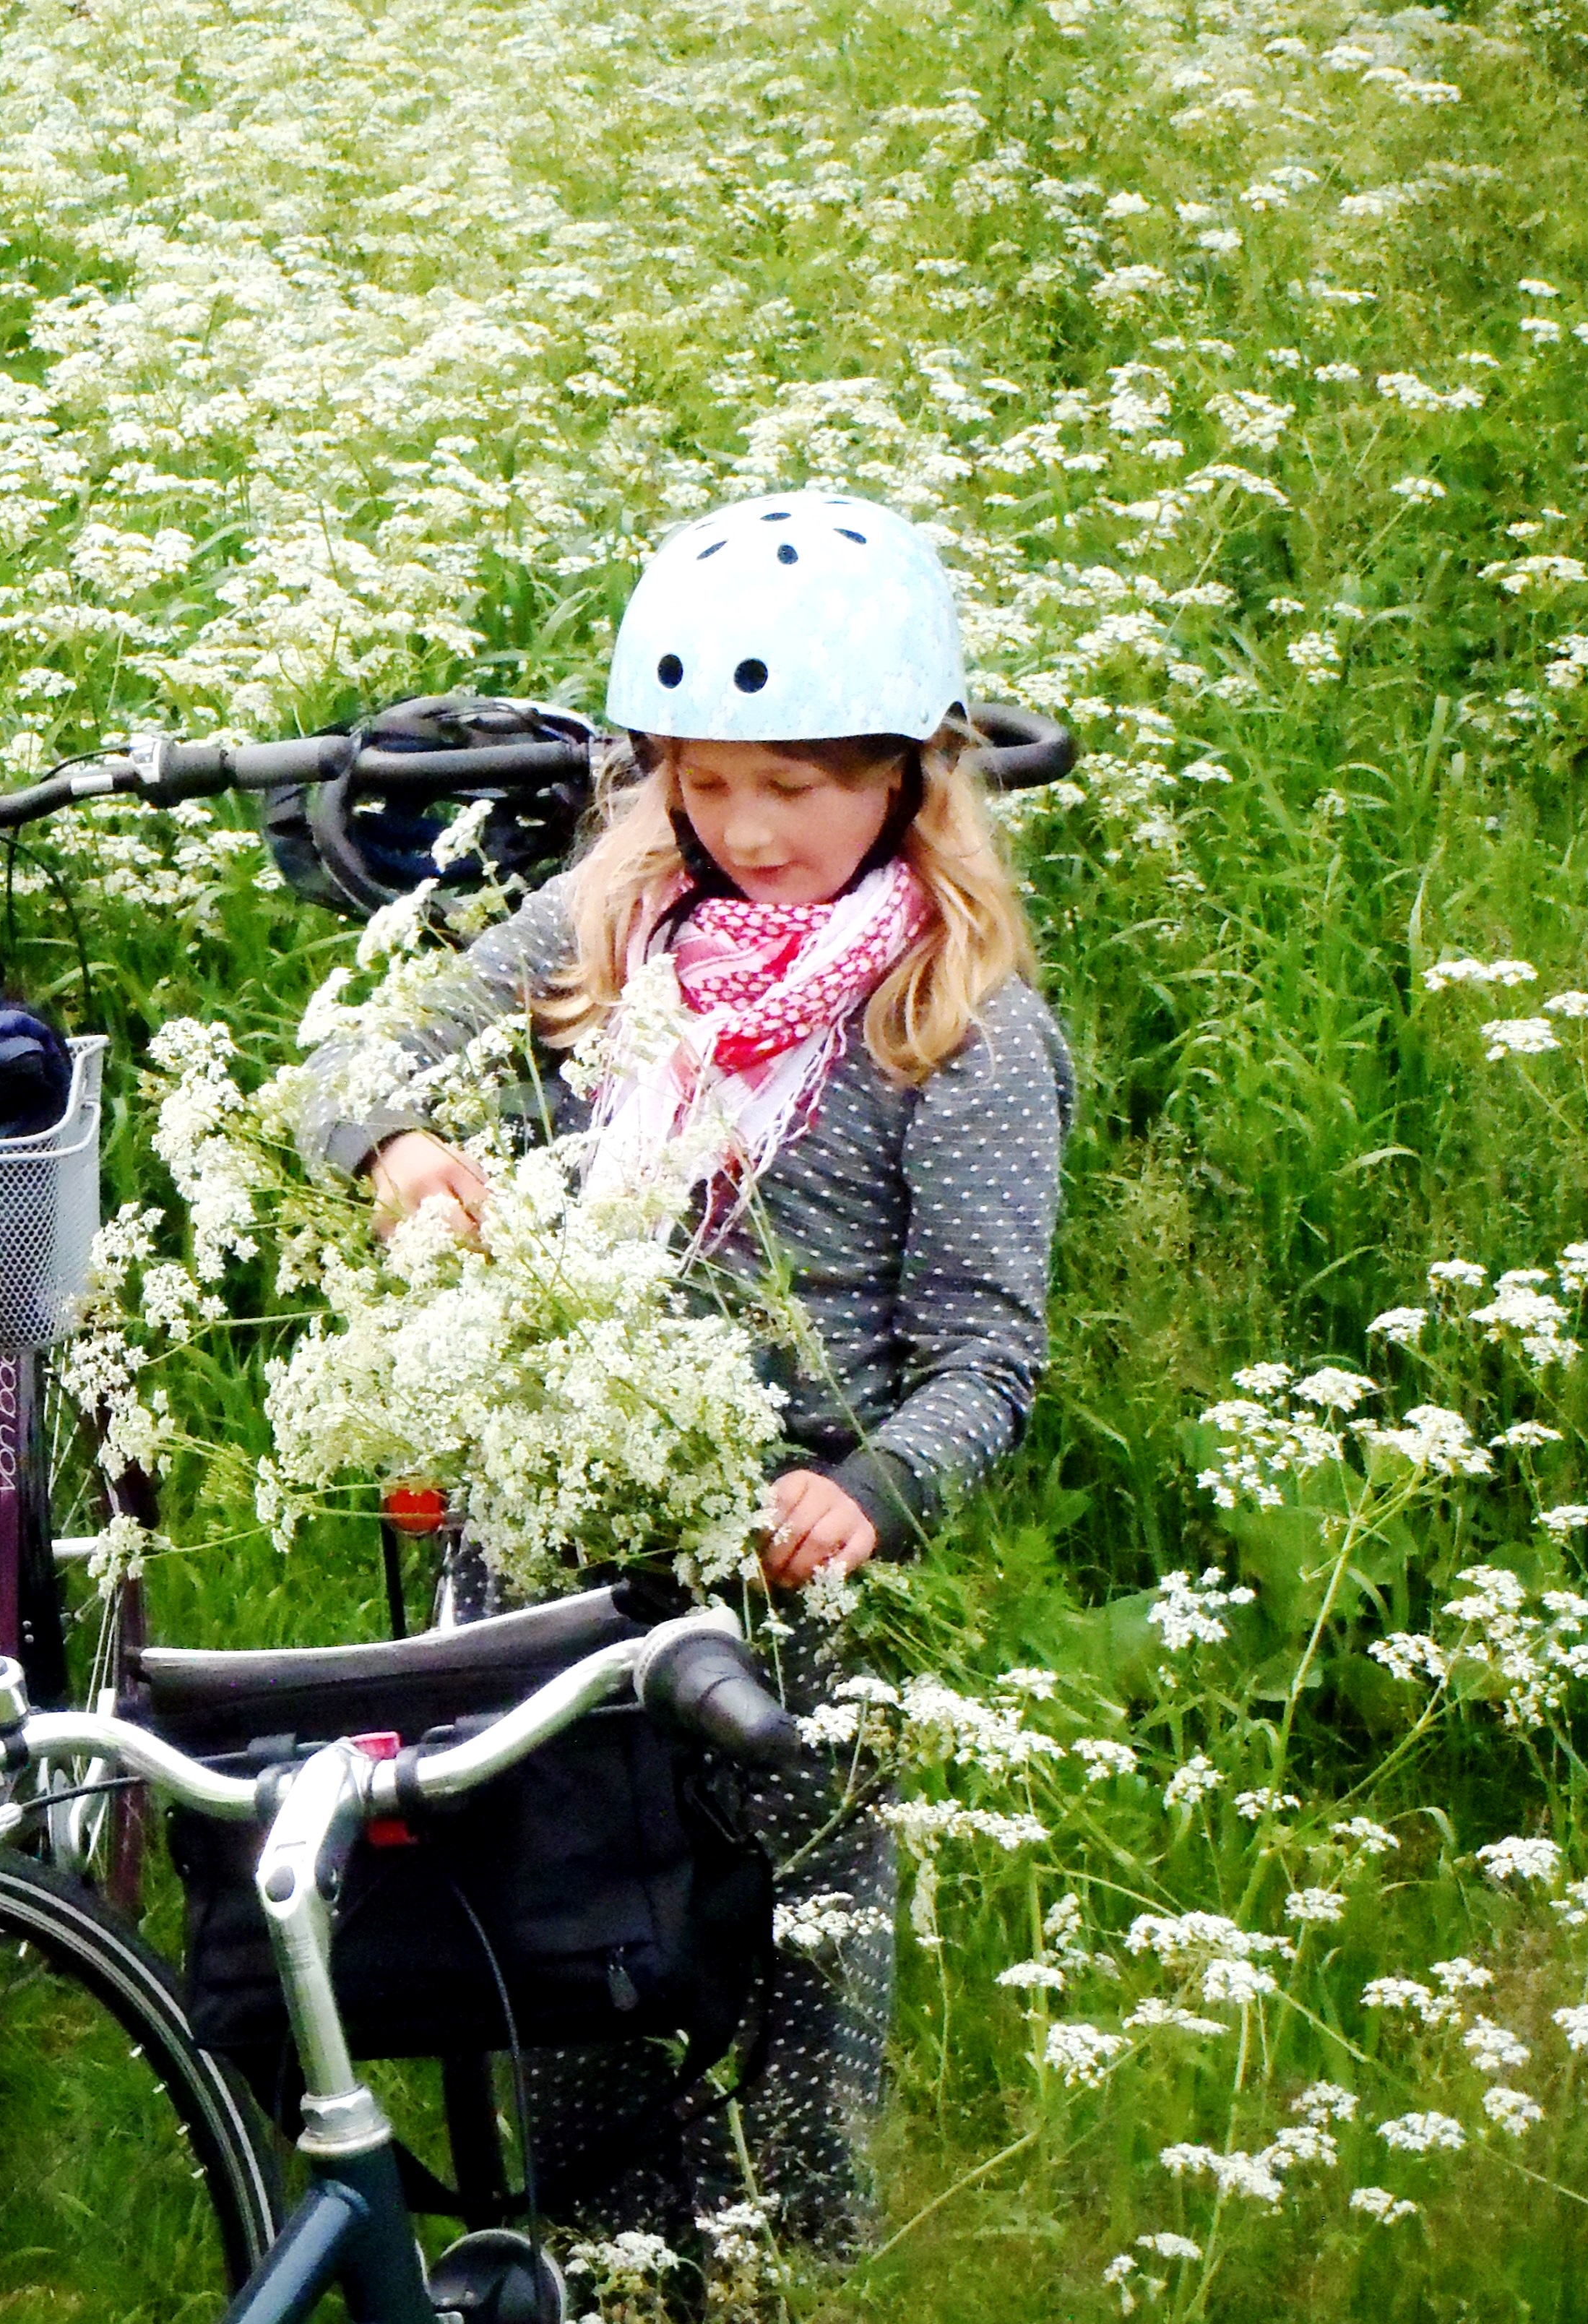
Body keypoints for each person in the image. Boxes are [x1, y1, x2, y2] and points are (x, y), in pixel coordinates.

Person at [303, 491, 1071, 2260]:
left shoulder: (950, 1026)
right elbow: (355, 1061)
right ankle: (600, 2265)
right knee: (571, 1947)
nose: (746, 830)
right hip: (550, 1557)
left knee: (796, 1963)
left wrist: (865, 1492)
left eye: (795, 786)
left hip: (785, 1577)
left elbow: (983, 1353)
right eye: (703, 783)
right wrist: (403, 1148)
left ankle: (795, 2265)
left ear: (905, 775)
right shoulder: (602, 936)